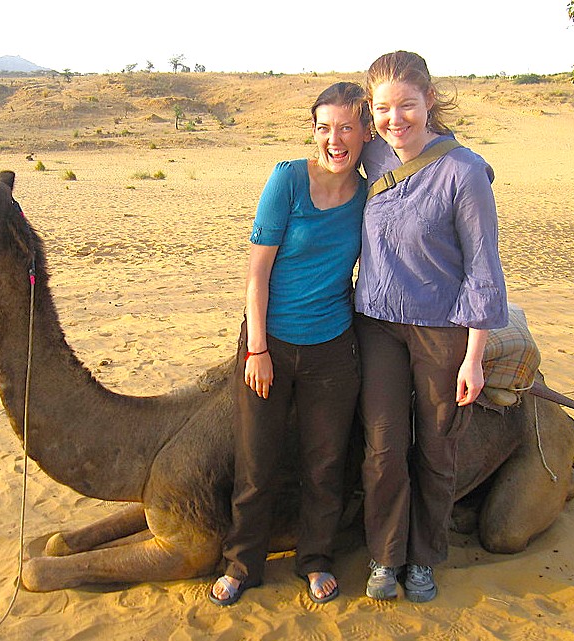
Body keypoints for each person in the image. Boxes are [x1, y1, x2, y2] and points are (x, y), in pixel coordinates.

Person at [209, 82, 372, 606]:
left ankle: (315, 559)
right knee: (257, 463)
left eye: (347, 126)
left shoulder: (369, 195)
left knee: (325, 465)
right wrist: (256, 349)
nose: (335, 139)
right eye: (325, 127)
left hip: (333, 348)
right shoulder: (288, 180)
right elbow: (257, 270)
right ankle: (242, 563)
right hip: (270, 342)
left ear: (366, 132)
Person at [355, 51, 508, 603]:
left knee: (437, 449)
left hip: (442, 331)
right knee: (383, 449)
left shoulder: (464, 172)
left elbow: (483, 267)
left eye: (406, 106)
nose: (394, 120)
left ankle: (424, 559)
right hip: (376, 325)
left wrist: (474, 354)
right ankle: (385, 556)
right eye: (382, 109)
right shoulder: (372, 154)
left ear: (429, 103)